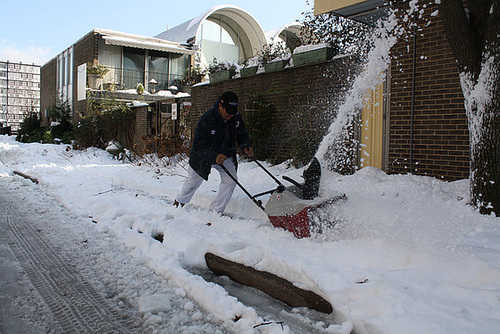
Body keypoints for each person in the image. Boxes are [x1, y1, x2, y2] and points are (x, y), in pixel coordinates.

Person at [174, 91, 254, 214]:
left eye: (232, 114)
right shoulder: (207, 119)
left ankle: (215, 211)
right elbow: (198, 146)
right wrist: (214, 156)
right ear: (220, 106)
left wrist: (246, 146)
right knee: (192, 181)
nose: (230, 117)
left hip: (225, 154)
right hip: (203, 156)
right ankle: (179, 202)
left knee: (231, 181)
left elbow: (241, 134)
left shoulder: (235, 117)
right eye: (227, 114)